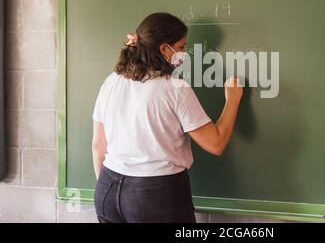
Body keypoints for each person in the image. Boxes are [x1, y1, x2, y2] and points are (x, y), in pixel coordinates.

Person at [91, 12, 243, 223]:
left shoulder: (111, 81)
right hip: (155, 194)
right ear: (164, 48)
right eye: (181, 47)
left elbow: (98, 145)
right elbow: (215, 143)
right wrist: (232, 100)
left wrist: (111, 188)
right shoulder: (175, 89)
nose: (184, 53)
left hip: (108, 188)